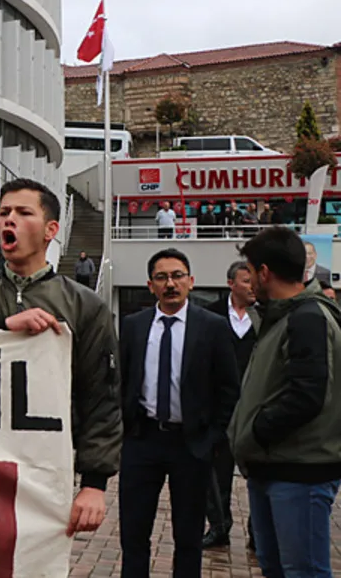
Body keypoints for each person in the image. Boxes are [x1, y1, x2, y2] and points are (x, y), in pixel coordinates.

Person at [0, 179, 121, 540]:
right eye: (4, 212)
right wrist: (1, 327)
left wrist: (94, 483)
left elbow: (101, 397)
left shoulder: (85, 306)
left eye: (23, 212)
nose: (9, 219)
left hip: (43, 470)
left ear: (51, 230)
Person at [118, 249, 238, 577]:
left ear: (191, 281)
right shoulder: (133, 326)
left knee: (188, 535)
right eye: (161, 277)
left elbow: (229, 388)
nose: (170, 284)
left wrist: (212, 438)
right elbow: (121, 381)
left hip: (191, 444)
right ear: (150, 285)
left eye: (177, 276)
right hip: (142, 440)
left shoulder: (212, 327)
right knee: (133, 533)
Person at [230, 226, 341, 578]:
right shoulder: (281, 316)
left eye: (250, 271)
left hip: (299, 471)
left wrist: (254, 432)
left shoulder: (307, 317)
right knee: (276, 568)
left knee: (303, 571)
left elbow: (307, 395)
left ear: (264, 272)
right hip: (274, 466)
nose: (249, 281)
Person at [204, 261, 257, 549]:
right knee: (217, 475)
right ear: (231, 284)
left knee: (258, 476)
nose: (252, 286)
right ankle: (219, 527)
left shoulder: (264, 317)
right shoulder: (211, 316)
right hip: (221, 411)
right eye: (246, 281)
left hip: (254, 412)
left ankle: (258, 533)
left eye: (253, 281)